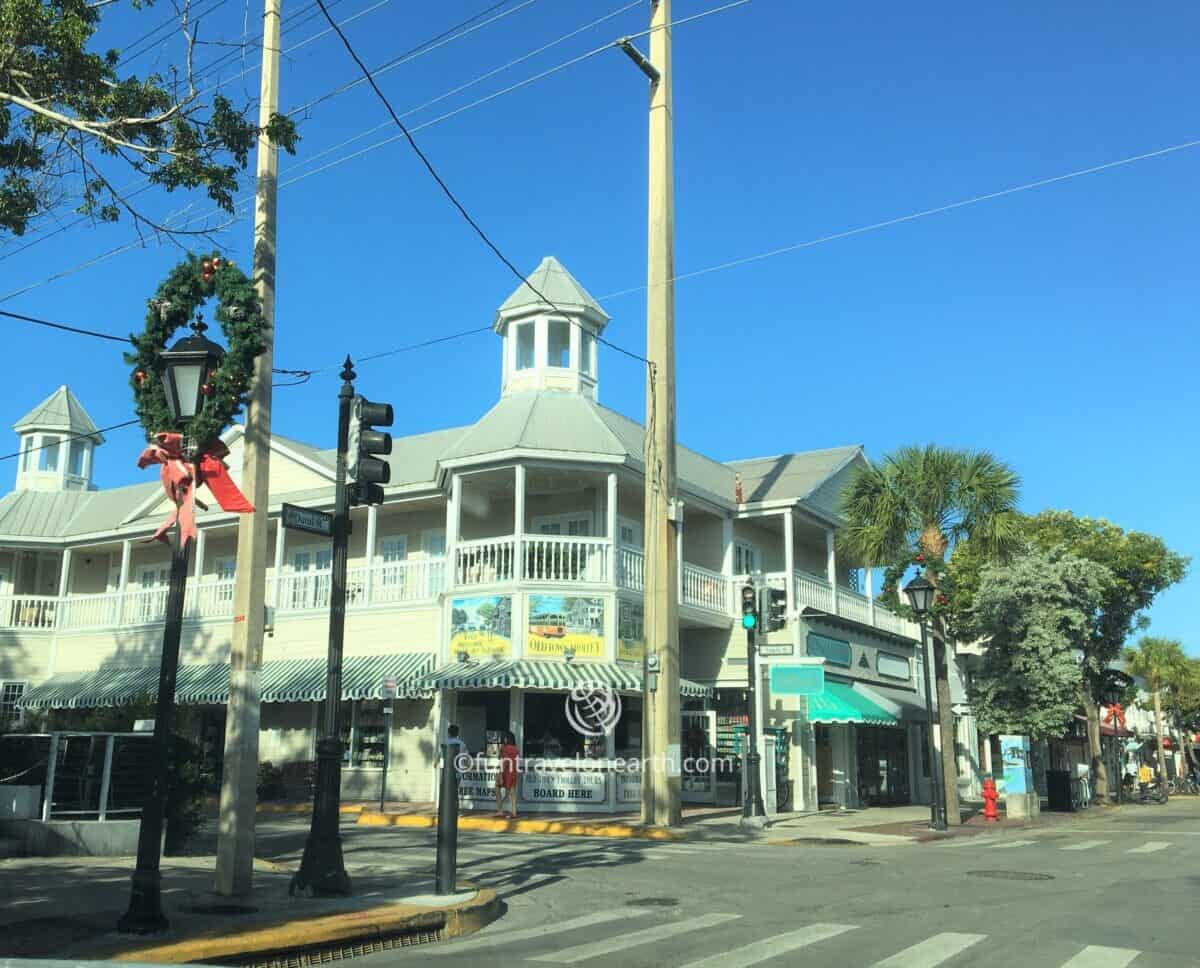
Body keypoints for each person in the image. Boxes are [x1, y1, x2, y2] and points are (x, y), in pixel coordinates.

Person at [495, 731, 519, 819]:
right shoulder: (516, 749)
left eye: (504, 738)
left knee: (497, 788)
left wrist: (500, 773)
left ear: (507, 739)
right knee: (512, 793)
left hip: (505, 771)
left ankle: (500, 810)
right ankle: (514, 811)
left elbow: (504, 761)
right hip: (513, 771)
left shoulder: (506, 748)